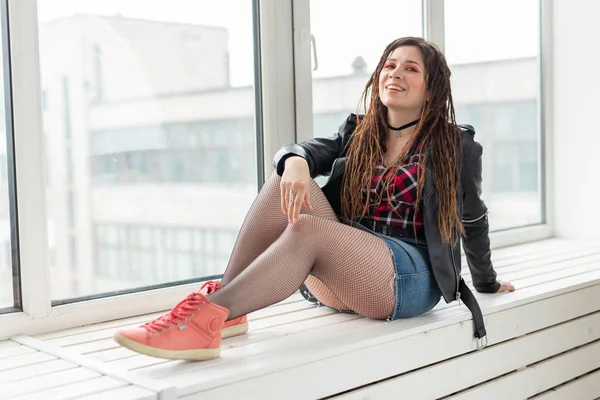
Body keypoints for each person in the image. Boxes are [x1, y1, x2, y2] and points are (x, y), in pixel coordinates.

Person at [113, 37, 515, 361]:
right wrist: (296, 161)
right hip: (348, 272)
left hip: (408, 277)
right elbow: (304, 151)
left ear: (432, 89)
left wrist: (486, 281)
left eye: (411, 68)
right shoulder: (359, 130)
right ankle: (227, 306)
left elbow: (473, 219)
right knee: (284, 182)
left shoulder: (454, 144)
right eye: (389, 65)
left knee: (305, 228)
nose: (395, 73)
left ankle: (204, 321)